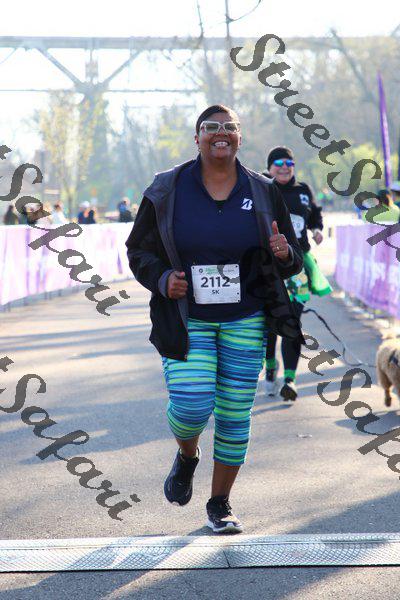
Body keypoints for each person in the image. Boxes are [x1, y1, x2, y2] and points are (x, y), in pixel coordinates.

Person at [126, 104, 304, 534]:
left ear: (240, 137)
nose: (220, 133)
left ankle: (220, 503)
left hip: (246, 317)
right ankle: (188, 454)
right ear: (197, 137)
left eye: (229, 127)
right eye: (211, 127)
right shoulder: (167, 188)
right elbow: (138, 250)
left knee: (234, 413)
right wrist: (163, 278)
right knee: (191, 406)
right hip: (188, 318)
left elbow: (292, 257)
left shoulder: (263, 191)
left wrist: (284, 253)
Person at [263, 146, 332, 402]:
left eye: (289, 163)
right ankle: (271, 366)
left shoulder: (303, 190)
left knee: (291, 322)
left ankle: (289, 379)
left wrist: (317, 229)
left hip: (298, 265)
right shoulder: (261, 188)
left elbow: (314, 214)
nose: (284, 168)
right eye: (279, 163)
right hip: (268, 266)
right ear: (269, 167)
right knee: (269, 324)